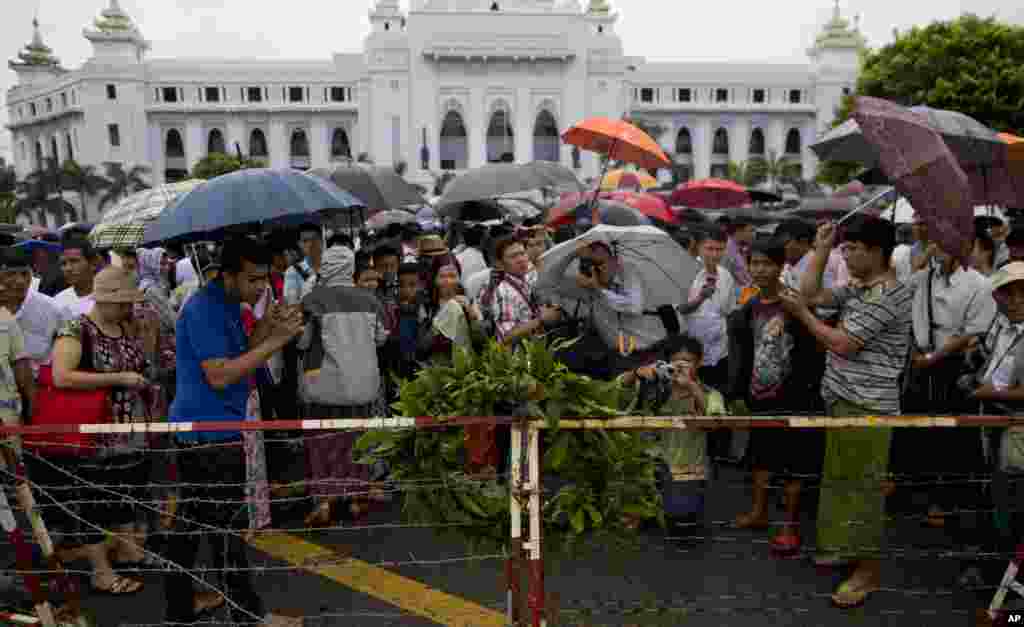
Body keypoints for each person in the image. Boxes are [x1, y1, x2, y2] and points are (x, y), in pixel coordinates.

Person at [163, 237, 303, 625]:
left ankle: (180, 610)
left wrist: (265, 328)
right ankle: (248, 616)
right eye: (254, 279)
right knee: (224, 528)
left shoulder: (225, 303)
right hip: (209, 431)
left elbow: (240, 352)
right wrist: (275, 340)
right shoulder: (205, 308)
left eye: (266, 278)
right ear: (228, 274)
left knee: (191, 526)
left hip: (208, 427)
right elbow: (221, 374)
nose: (261, 287)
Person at [780, 216, 912, 608]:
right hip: (840, 398)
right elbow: (812, 294)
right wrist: (821, 249)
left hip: (869, 406)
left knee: (864, 490)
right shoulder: (858, 286)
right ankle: (843, 549)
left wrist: (802, 317)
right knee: (840, 480)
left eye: (852, 248)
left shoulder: (889, 294)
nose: (847, 255)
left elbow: (843, 343)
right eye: (845, 248)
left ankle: (867, 572)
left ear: (876, 251)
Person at [43, 267, 153, 595]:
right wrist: (118, 379)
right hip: (95, 434)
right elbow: (62, 376)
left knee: (125, 491)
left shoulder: (123, 325)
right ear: (103, 300)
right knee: (94, 499)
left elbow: (139, 365)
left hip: (129, 430)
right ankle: (100, 571)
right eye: (121, 303)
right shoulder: (75, 329)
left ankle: (124, 548)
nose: (127, 308)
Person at [724, 238, 825, 554]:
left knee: (793, 461)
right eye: (754, 263)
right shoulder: (749, 307)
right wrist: (737, 392)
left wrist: (808, 393)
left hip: (796, 397)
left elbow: (815, 350)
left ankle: (789, 525)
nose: (760, 269)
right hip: (759, 397)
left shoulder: (795, 304)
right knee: (760, 455)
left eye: (766, 263)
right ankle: (758, 512)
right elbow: (742, 355)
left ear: (781, 266)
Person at [895, 241, 995, 528]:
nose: (939, 247)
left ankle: (947, 498)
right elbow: (900, 291)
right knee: (917, 426)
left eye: (947, 240)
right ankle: (916, 490)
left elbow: (973, 332)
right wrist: (916, 351)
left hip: (953, 364)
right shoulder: (924, 276)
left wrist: (935, 356)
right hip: (919, 359)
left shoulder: (978, 284)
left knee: (952, 435)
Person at [298, 245, 389, 526]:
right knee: (356, 442)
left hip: (322, 385)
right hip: (362, 386)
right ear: (350, 268)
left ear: (326, 267)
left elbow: (302, 342)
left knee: (323, 443)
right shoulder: (370, 300)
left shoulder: (313, 300)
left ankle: (325, 500)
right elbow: (381, 338)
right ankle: (354, 498)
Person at [620, 335, 724, 533]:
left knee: (682, 525)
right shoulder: (653, 387)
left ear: (699, 363)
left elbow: (714, 422)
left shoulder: (710, 393)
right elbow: (617, 389)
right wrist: (637, 373)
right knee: (632, 523)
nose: (682, 367)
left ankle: (667, 507)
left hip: (687, 469)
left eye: (688, 362)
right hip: (648, 466)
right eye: (677, 362)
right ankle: (644, 506)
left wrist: (691, 385)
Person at [679, 227, 736, 390]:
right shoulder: (687, 272)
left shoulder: (726, 275)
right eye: (709, 249)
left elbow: (729, 311)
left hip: (720, 350)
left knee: (716, 395)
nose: (714, 254)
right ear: (699, 247)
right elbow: (678, 309)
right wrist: (700, 298)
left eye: (719, 249)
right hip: (691, 350)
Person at [479, 236, 559, 345]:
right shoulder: (503, 291)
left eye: (522, 253)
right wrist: (541, 320)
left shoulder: (526, 280)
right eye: (513, 256)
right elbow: (506, 337)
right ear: (500, 264)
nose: (521, 259)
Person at [0, 246, 64, 377]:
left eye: (25, 274)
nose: (20, 281)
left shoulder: (52, 309)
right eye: (11, 274)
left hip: (41, 387)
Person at [54, 238, 102, 317]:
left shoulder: (109, 296)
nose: (68, 268)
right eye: (63, 263)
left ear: (93, 263)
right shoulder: (59, 301)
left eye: (74, 261)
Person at [283, 225, 322, 306]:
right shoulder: (292, 272)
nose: (310, 244)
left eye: (314, 240)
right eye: (305, 241)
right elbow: (291, 303)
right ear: (299, 244)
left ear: (321, 241)